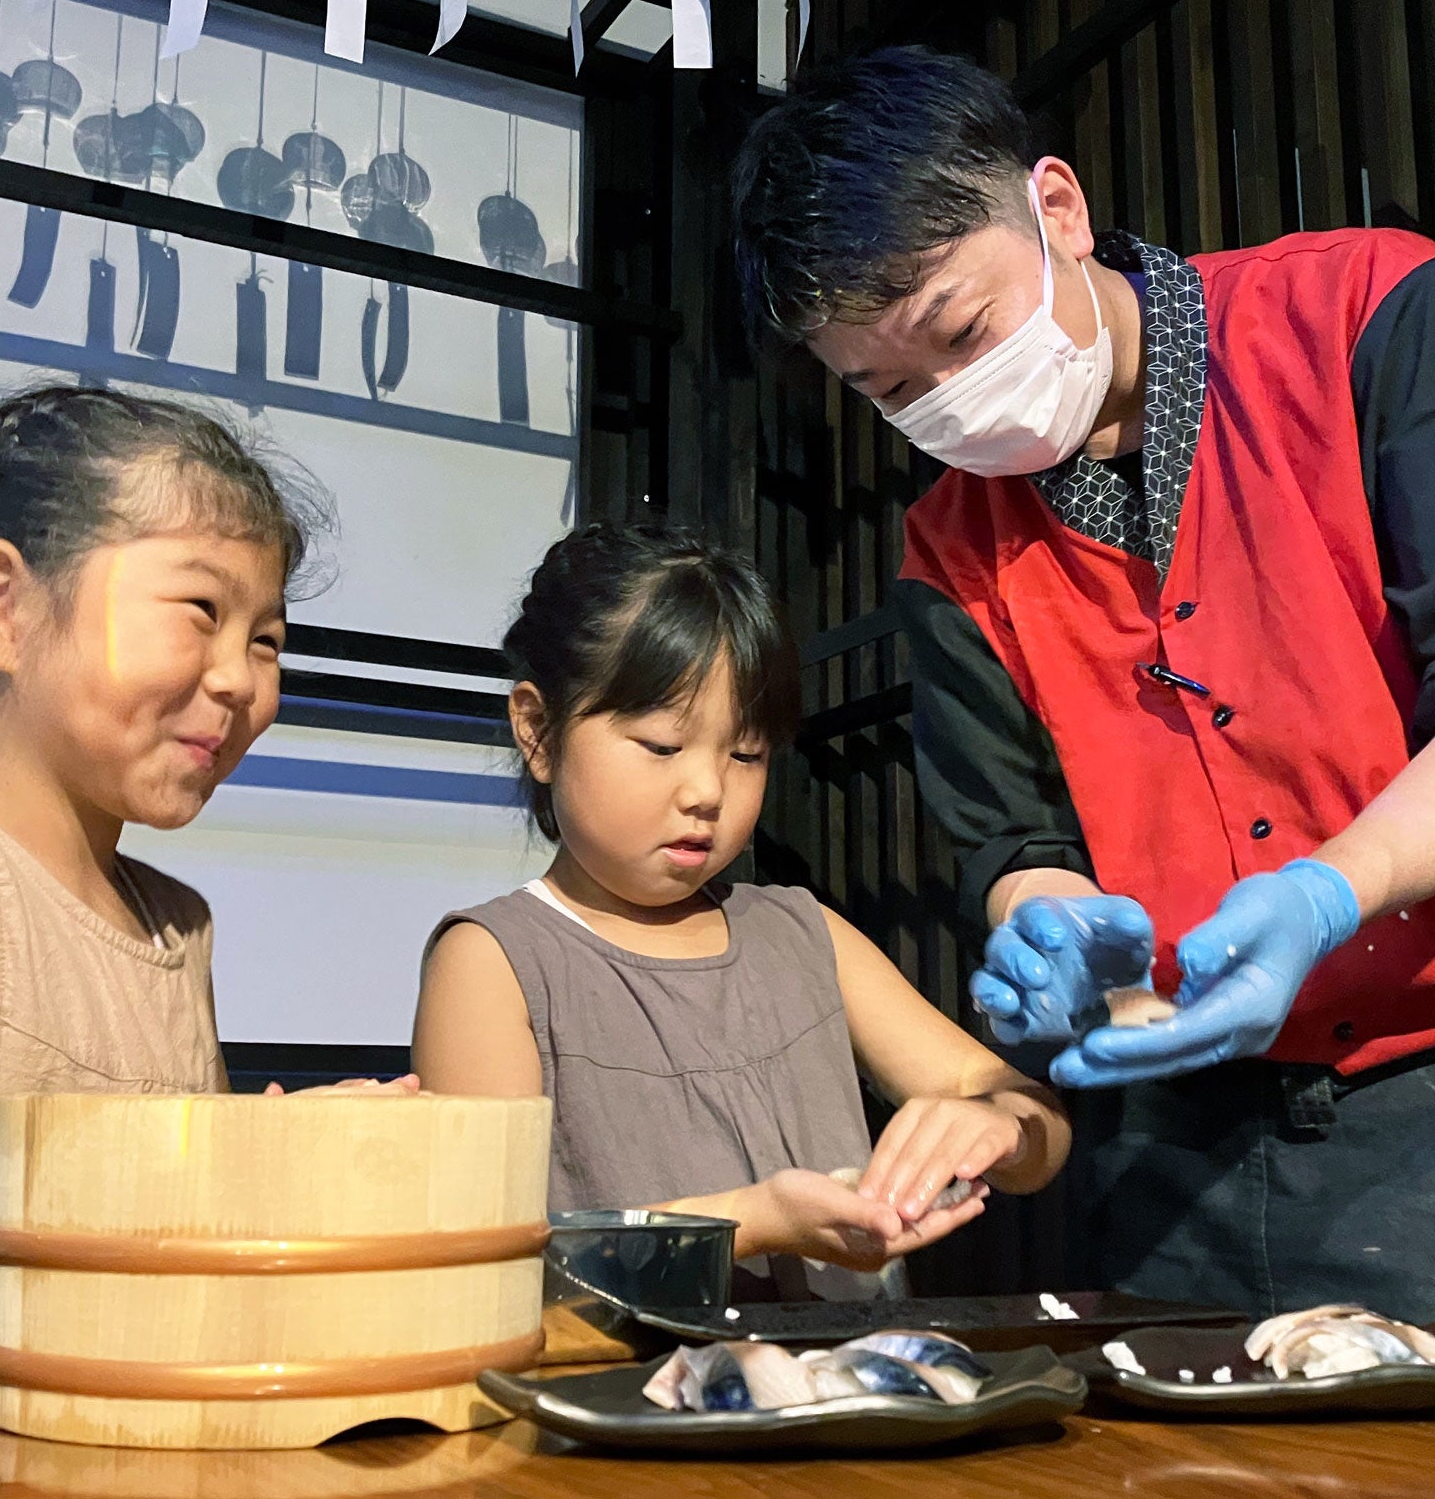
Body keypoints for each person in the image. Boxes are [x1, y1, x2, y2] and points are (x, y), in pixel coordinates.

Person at [729, 46, 1435, 1380]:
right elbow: (1018, 839)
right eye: (889, 390)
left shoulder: (1371, 313)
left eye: (959, 334)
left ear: (1056, 209)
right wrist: (1051, 928)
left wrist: (1329, 890)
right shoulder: (949, 551)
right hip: (1172, 1149)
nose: (946, 397)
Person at [0, 386, 405, 1379]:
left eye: (267, 640)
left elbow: (184, 1264)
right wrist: (249, 1166)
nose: (241, 678)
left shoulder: (175, 923)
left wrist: (295, 1160)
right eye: (201, 611)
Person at [413, 523, 1070, 1299]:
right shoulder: (495, 959)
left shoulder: (801, 932)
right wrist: (750, 1224)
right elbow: (488, 1254)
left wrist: (1002, 1126)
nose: (707, 791)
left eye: (746, 754)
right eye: (662, 746)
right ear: (538, 730)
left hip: (852, 1372)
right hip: (632, 1376)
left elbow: (1032, 1119)